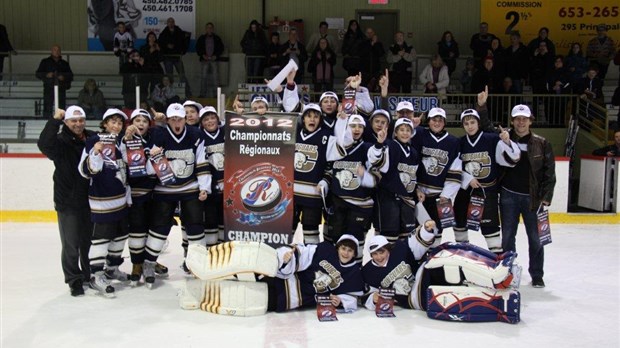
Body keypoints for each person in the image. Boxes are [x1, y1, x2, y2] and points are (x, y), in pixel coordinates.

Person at [180, 235, 364, 315]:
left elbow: (352, 300)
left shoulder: (354, 272)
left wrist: (341, 302)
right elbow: (303, 252)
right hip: (282, 279)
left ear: (355, 253)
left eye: (350, 251)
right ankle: (204, 266)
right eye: (344, 248)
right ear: (338, 247)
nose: (346, 253)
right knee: (248, 272)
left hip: (292, 298)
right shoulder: (325, 251)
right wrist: (288, 256)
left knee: (242, 295)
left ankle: (201, 293)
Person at [362, 230, 520, 323]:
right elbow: (366, 296)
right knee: (455, 294)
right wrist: (373, 299)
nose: (378, 256)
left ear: (388, 249)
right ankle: (497, 297)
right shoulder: (368, 271)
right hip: (415, 298)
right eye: (374, 254)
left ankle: (496, 266)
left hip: (423, 273)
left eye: (381, 252)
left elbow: (418, 242)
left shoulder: (400, 249)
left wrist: (426, 228)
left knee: (448, 256)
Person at [141, 103, 210, 289]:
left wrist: (204, 187)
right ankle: (148, 263)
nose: (176, 122)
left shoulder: (196, 135)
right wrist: (153, 157)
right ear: (169, 120)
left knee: (195, 225)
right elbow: (148, 170)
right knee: (160, 227)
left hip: (190, 187)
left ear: (185, 119)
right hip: (165, 189)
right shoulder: (159, 135)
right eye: (173, 119)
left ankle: (199, 262)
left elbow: (201, 162)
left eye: (179, 118)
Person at [37, 106, 96, 297]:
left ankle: (88, 274)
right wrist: (55, 120)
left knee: (87, 241)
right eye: (73, 121)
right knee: (71, 243)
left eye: (81, 120)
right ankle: (74, 279)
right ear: (66, 122)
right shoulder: (60, 142)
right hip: (68, 200)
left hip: (90, 199)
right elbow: (44, 144)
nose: (78, 124)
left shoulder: (92, 138)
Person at [501, 104, 556, 288]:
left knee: (536, 238)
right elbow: (483, 128)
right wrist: (482, 106)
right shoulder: (505, 138)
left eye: (524, 119)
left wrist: (546, 196)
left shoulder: (542, 142)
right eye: (517, 118)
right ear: (512, 121)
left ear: (531, 121)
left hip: (533, 199)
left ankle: (537, 274)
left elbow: (550, 173)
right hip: (508, 195)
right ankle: (509, 272)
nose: (521, 122)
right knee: (508, 237)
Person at [78, 108, 131, 298]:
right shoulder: (94, 141)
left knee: (120, 235)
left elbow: (126, 169)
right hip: (101, 201)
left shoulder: (121, 143)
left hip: (121, 201)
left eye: (119, 123)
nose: (116, 126)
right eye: (113, 122)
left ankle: (112, 269)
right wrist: (95, 153)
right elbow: (85, 171)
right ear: (105, 124)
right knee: (101, 238)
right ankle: (96, 275)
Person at [453, 106, 521, 253]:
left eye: (472, 122)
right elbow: (454, 167)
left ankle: (497, 258)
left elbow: (513, 159)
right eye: (466, 123)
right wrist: (467, 178)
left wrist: (507, 142)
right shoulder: (459, 143)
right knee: (459, 223)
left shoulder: (491, 139)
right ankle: (462, 256)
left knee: (490, 226)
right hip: (465, 191)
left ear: (478, 123)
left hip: (487, 191)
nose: (470, 126)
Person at [367, 118, 424, 241]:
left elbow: (413, 175)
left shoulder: (413, 152)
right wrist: (379, 143)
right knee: (388, 238)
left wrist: (417, 189)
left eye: (408, 130)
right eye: (401, 130)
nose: (405, 133)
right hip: (389, 198)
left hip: (407, 200)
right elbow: (375, 160)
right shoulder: (389, 145)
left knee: (406, 238)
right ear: (396, 132)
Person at [411, 107, 462, 247]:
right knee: (418, 233)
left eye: (440, 120)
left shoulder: (453, 142)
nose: (437, 123)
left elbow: (455, 171)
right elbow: (408, 161)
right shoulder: (419, 134)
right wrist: (415, 188)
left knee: (436, 233)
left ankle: (433, 266)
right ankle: (418, 264)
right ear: (429, 121)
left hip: (439, 197)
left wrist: (446, 195)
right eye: (434, 119)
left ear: (444, 122)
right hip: (419, 195)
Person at [293, 104, 334, 244]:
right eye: (309, 116)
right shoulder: (293, 133)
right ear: (303, 119)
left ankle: (312, 264)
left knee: (311, 234)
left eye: (316, 116)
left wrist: (325, 180)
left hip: (313, 196)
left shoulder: (327, 136)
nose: (312, 119)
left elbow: (332, 164)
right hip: (289, 195)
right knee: (285, 231)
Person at [199, 106, 226, 245]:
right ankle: (211, 252)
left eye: (212, 117)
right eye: (206, 119)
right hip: (209, 187)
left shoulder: (225, 131)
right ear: (201, 122)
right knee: (210, 219)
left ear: (217, 118)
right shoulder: (198, 135)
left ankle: (224, 251)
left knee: (225, 219)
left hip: (228, 186)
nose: (210, 121)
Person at [35, 44, 73, 118]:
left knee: (61, 106)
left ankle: (61, 121)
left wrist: (63, 77)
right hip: (49, 88)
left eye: (58, 50)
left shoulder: (64, 63)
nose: (57, 51)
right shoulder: (45, 62)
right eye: (55, 50)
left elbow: (70, 75)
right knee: (47, 105)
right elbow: (38, 74)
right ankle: (46, 122)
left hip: (61, 88)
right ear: (51, 51)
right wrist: (46, 74)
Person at [158, 17, 190, 96]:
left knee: (182, 75)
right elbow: (160, 43)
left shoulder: (179, 32)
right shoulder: (164, 33)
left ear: (174, 23)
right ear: (167, 23)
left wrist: (182, 51)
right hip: (168, 57)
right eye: (169, 22)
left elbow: (185, 41)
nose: (171, 23)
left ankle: (188, 92)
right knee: (169, 76)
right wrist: (167, 46)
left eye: (172, 22)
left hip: (177, 57)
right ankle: (170, 93)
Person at [195, 22, 224, 98]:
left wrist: (216, 56)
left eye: (211, 27)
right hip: (204, 60)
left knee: (215, 78)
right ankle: (202, 94)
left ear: (213, 29)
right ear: (206, 29)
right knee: (203, 77)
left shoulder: (217, 38)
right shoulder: (201, 38)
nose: (209, 29)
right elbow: (198, 48)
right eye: (208, 27)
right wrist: (202, 55)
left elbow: (221, 48)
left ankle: (216, 95)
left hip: (214, 60)